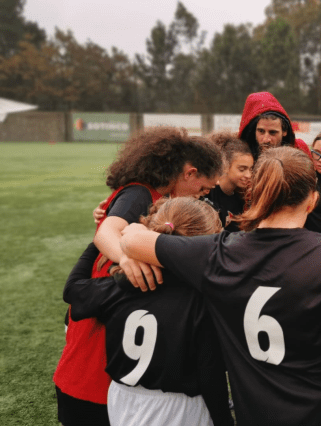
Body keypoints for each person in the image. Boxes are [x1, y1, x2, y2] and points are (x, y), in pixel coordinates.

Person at [119, 147, 321, 426]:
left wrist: (131, 241)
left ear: (255, 195)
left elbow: (131, 240)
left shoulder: (217, 254)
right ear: (312, 200)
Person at [54, 127, 222, 426]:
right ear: (189, 173)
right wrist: (127, 258)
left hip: (111, 313)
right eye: (203, 189)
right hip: (100, 328)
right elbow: (106, 233)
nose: (203, 196)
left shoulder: (153, 198)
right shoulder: (139, 193)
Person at [63, 197, 233, 426]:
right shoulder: (202, 297)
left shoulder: (121, 286)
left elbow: (73, 289)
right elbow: (210, 373)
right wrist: (224, 420)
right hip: (180, 405)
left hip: (123, 399)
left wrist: (102, 237)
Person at [204, 131, 254, 232]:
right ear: (225, 166)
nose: (249, 175)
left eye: (250, 169)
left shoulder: (243, 197)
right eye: (242, 169)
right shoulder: (207, 192)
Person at [237, 91, 311, 160]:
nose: (266, 139)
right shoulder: (241, 157)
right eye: (261, 131)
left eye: (272, 132)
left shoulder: (300, 150)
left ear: (284, 131)